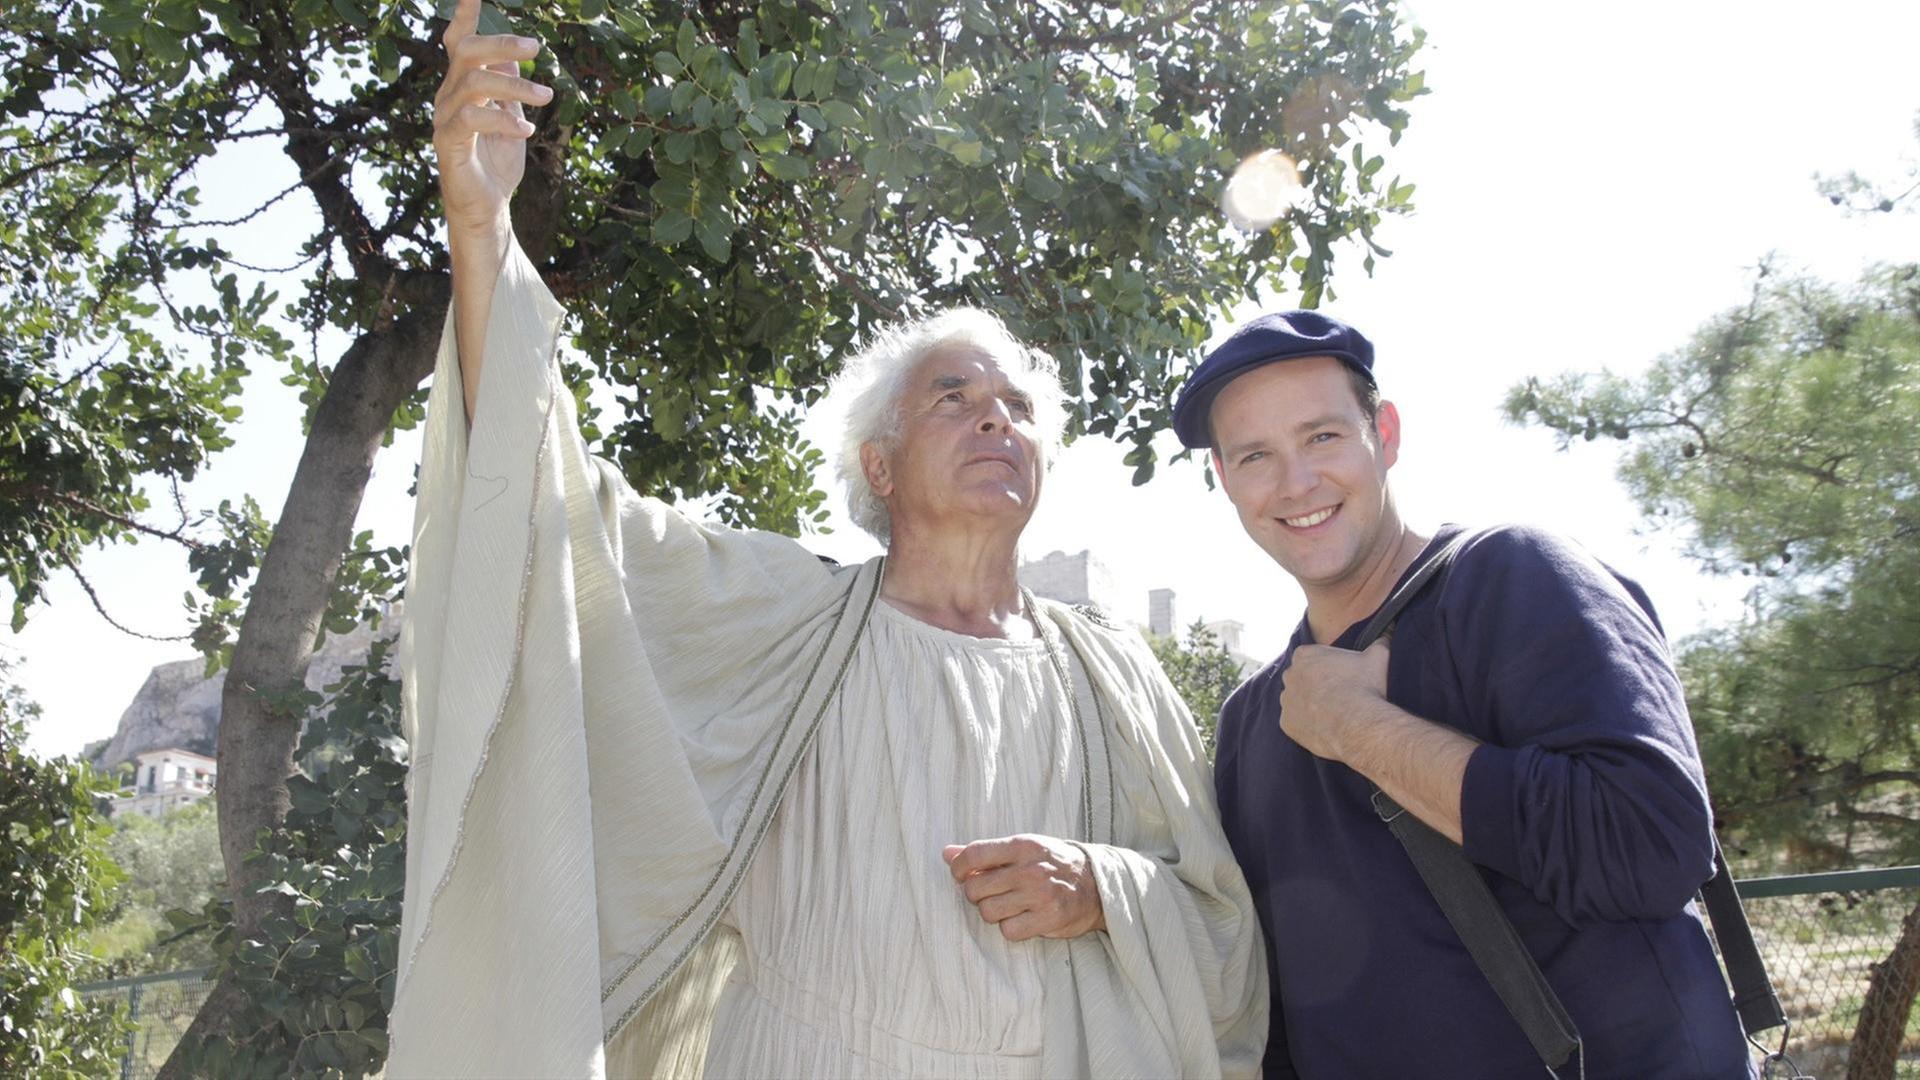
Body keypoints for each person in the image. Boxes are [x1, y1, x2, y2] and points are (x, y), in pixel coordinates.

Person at [384, 1, 1265, 1076]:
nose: (997, 417)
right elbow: (547, 504)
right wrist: (483, 233)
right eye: (954, 396)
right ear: (880, 468)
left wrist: (1105, 893)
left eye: (1018, 406)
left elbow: (1225, 941)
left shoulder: (1115, 675)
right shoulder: (780, 617)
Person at [1169, 310, 1753, 1078]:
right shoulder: (1252, 720)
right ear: (1225, 480)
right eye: (1255, 456)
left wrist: (1362, 729)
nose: (1297, 482)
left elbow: (1650, 845)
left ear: (1386, 433)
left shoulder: (1510, 578)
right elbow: (1271, 991)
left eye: (1322, 437)